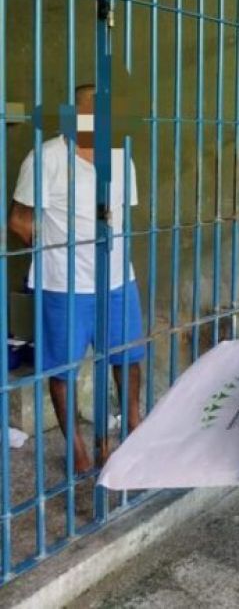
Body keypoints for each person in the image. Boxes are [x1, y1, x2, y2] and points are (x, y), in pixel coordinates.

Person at [9, 84, 145, 474]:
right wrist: (57, 249)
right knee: (62, 369)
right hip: (64, 284)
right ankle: (77, 449)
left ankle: (133, 427)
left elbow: (120, 214)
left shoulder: (121, 157)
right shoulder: (46, 158)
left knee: (128, 357)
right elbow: (19, 221)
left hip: (117, 279)